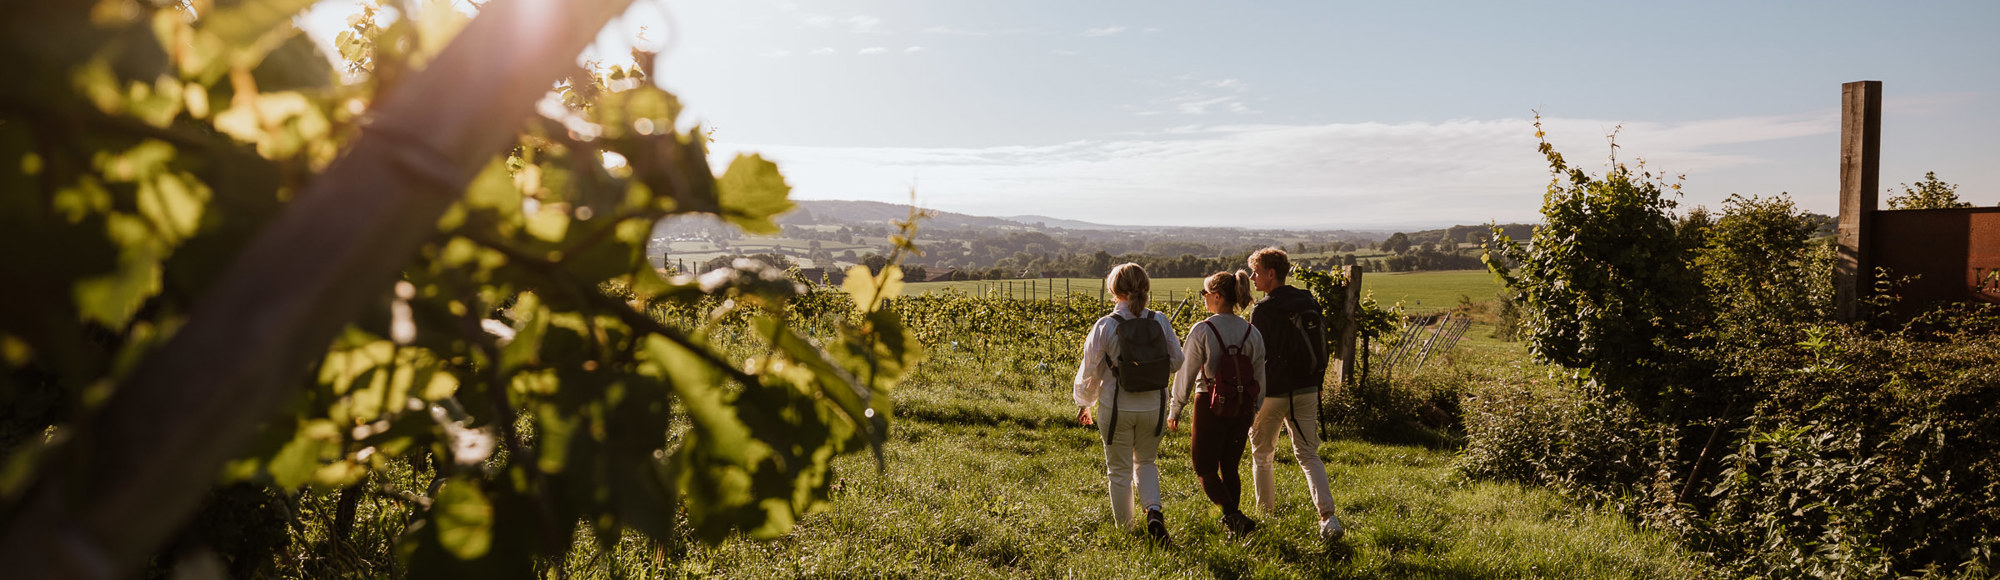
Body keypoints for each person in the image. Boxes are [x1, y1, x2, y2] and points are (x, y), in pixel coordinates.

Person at [1073, 263, 1184, 541]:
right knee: (1146, 461)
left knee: (1119, 470)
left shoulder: (1106, 325)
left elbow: (1089, 372)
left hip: (1117, 407)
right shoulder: (1159, 321)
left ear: (1114, 289)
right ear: (1145, 287)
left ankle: (1126, 532)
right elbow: (1177, 361)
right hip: (1154, 407)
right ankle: (1154, 510)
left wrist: (1084, 403)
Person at [1245, 247, 1345, 543]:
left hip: (1272, 392)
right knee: (1308, 454)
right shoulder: (1307, 301)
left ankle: (1266, 515)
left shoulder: (1262, 310)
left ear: (1271, 274)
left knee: (1262, 455)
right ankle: (1328, 517)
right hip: (1306, 388)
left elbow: (1255, 355)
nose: (1252, 277)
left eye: (1256, 272)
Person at [1167, 270, 1266, 539]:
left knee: (1204, 467)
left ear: (1218, 296)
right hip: (1243, 406)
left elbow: (1185, 373)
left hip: (1209, 404)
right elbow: (1259, 376)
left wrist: (1175, 408)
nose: (1204, 298)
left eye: (1205, 293)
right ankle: (1235, 523)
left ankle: (1233, 517)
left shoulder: (1203, 329)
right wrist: (1254, 409)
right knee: (1230, 466)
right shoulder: (1252, 332)